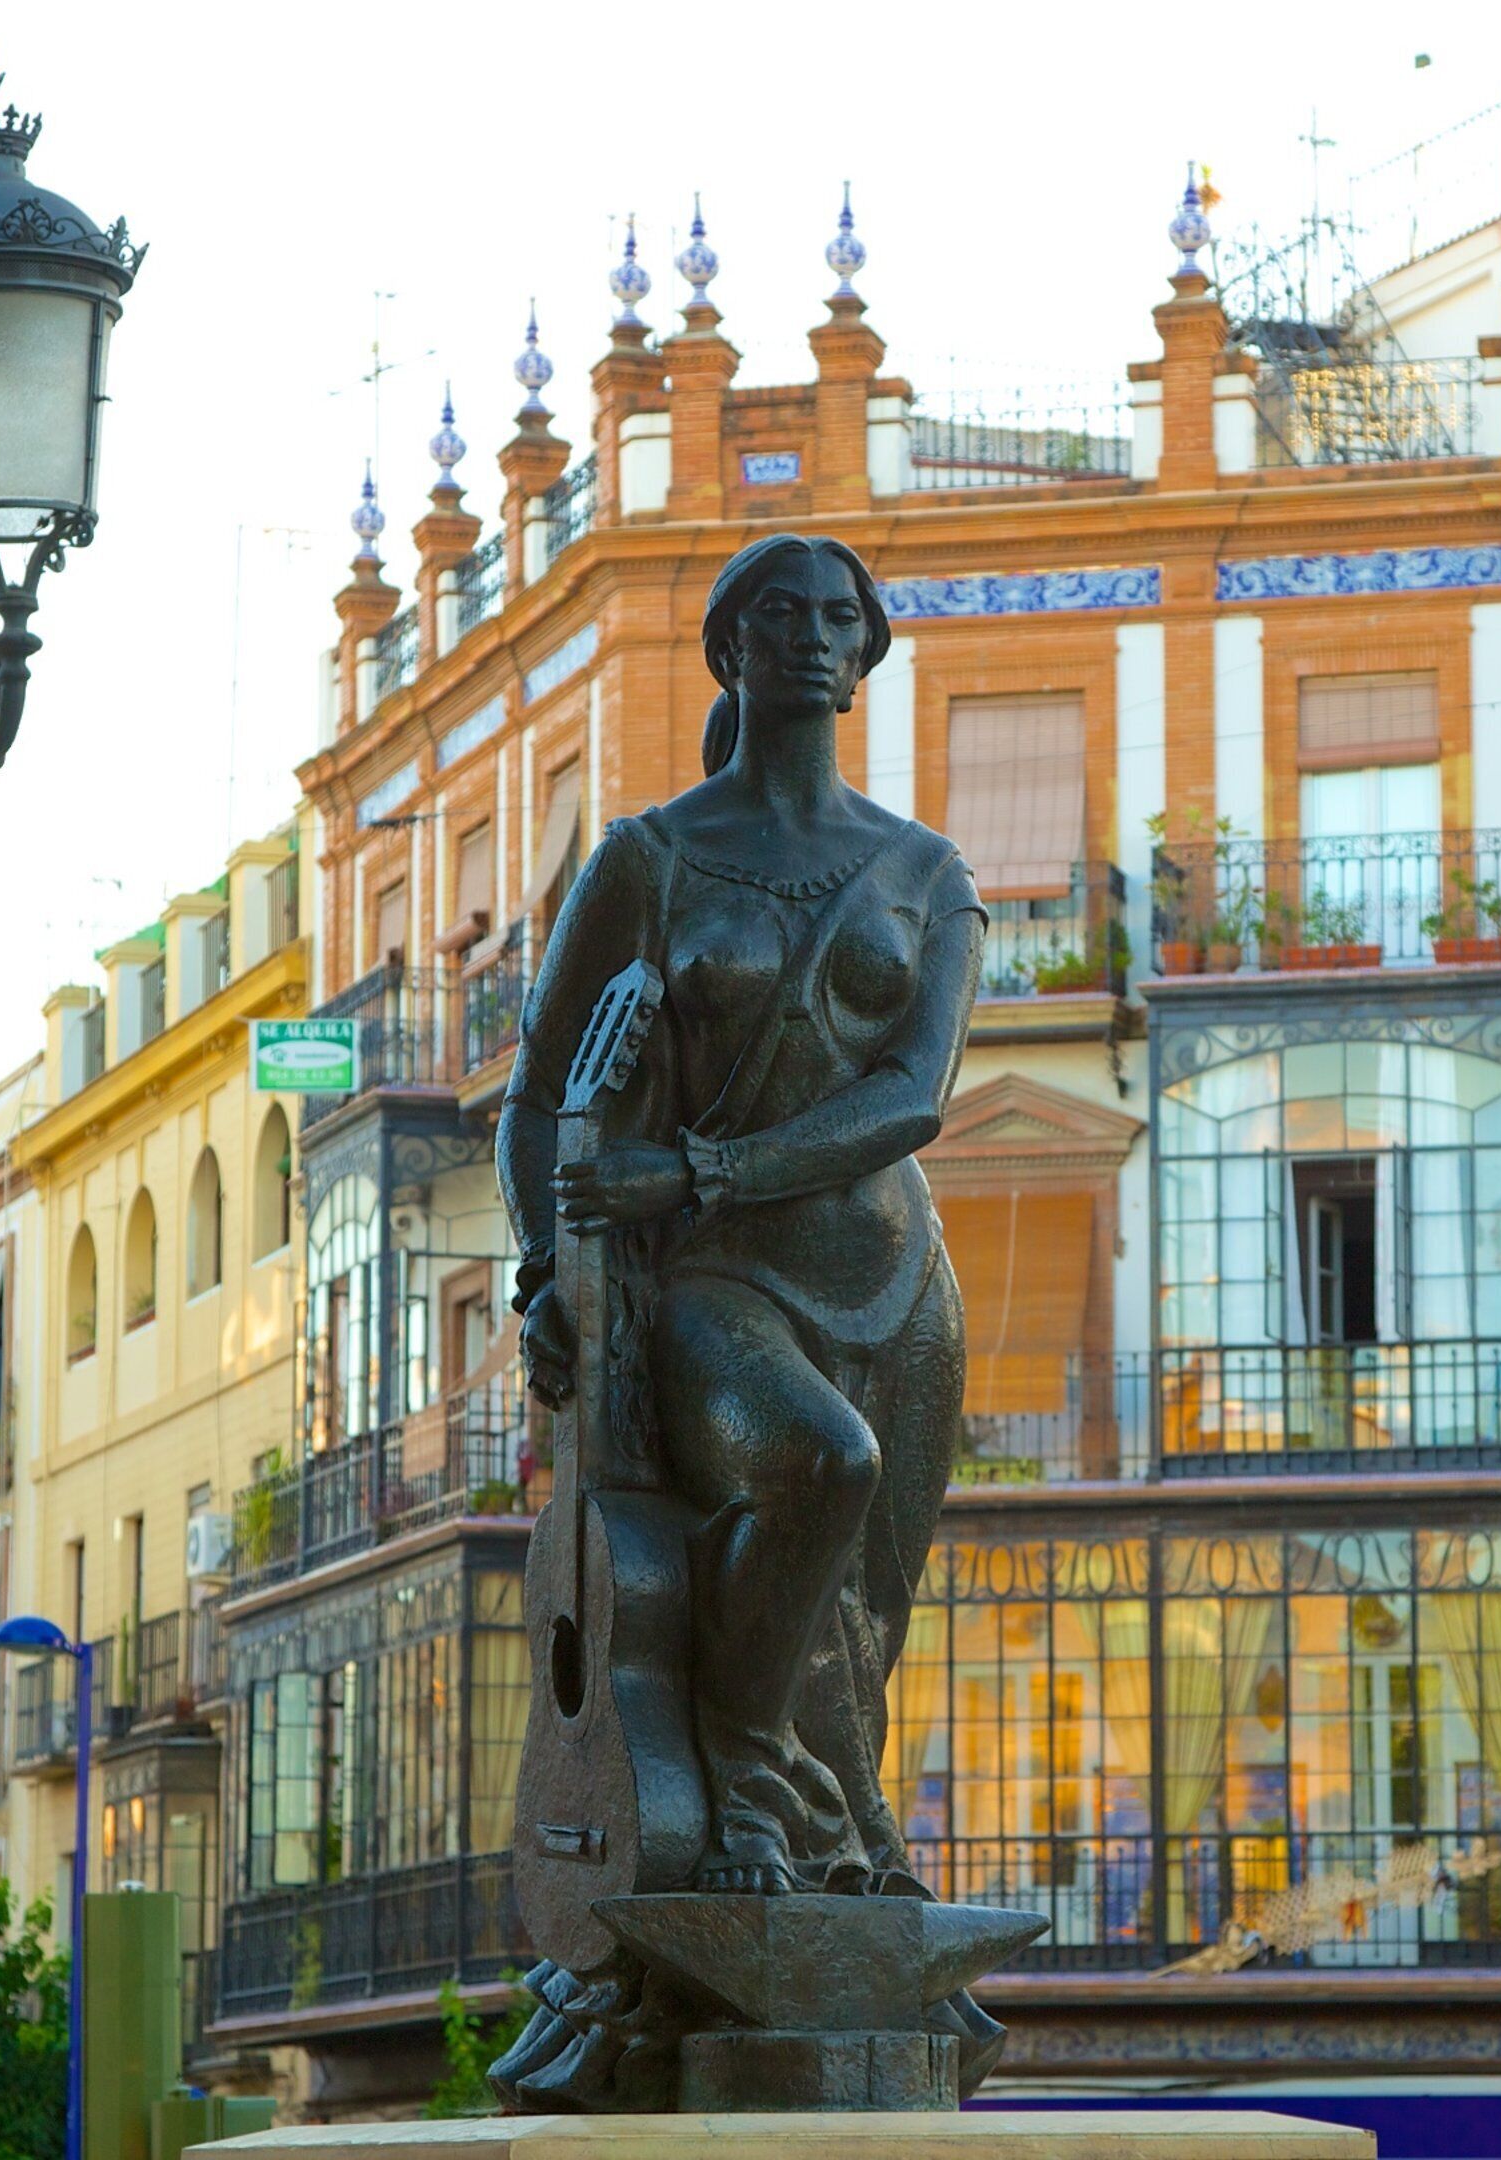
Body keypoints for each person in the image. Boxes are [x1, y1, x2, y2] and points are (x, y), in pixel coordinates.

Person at [501, 530, 987, 1900]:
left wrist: (699, 1171)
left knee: (864, 1617)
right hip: (716, 1282)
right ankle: (743, 1783)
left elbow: (909, 1099)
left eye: (842, 616)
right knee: (820, 1466)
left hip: (898, 1280)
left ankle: (840, 1849)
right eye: (783, 614)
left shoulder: (926, 873)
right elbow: (537, 1096)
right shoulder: (649, 862)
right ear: (731, 646)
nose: (817, 636)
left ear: (867, 649)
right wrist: (553, 1270)